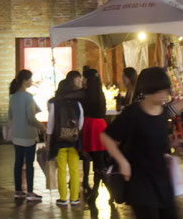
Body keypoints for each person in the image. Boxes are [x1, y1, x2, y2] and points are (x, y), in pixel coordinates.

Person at [101, 67, 183, 219]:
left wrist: (174, 145)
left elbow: (171, 111)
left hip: (162, 180)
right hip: (141, 185)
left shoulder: (161, 112)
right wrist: (122, 162)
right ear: (149, 90)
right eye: (161, 91)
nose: (165, 95)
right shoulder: (133, 114)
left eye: (166, 91)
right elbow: (107, 137)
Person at [47, 72, 85, 207]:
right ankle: (74, 198)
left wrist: (48, 140)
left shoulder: (54, 103)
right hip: (74, 141)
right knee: (74, 170)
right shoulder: (78, 104)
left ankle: (63, 198)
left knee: (62, 170)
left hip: (59, 141)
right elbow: (81, 123)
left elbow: (50, 124)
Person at [7, 69, 43, 202]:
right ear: (24, 81)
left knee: (18, 163)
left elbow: (10, 116)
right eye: (30, 79)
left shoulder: (13, 97)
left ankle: (18, 191)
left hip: (16, 135)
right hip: (28, 135)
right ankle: (30, 192)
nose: (31, 82)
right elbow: (31, 118)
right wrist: (41, 126)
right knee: (29, 164)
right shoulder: (28, 97)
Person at [80, 68, 109, 204]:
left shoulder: (85, 94)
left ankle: (107, 190)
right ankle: (98, 189)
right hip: (100, 126)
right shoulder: (100, 93)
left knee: (97, 162)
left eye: (84, 78)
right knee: (99, 161)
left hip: (91, 127)